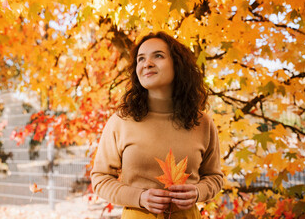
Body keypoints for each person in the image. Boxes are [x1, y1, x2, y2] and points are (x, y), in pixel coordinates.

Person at [90, 31, 223, 218]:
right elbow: (100, 179)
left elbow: (214, 177)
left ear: (178, 65)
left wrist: (199, 192)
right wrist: (140, 197)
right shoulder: (121, 121)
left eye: (158, 56)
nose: (147, 63)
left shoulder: (203, 123)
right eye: (141, 59)